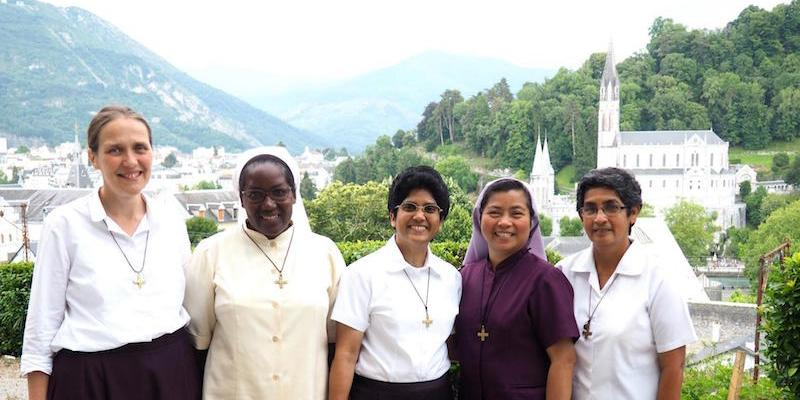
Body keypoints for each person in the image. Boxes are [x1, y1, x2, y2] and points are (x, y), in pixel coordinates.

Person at [21, 105, 200, 400]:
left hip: (170, 373)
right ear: (93, 157)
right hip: (90, 379)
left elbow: (193, 309)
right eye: (115, 150)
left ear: (152, 152)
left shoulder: (171, 220)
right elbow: (41, 330)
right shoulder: (63, 225)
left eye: (139, 148)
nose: (130, 161)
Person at [184, 146, 345, 400]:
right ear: (241, 198)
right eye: (255, 195)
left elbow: (337, 340)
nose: (268, 205)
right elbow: (198, 342)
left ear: (294, 195)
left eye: (279, 192)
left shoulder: (325, 253)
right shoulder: (210, 253)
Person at [556, 167, 696, 400]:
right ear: (581, 216)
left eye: (611, 207)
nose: (600, 218)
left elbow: (673, 366)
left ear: (633, 213)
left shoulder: (658, 279)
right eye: (590, 209)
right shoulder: (564, 273)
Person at [329, 166, 461, 400]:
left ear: (440, 220)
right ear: (392, 216)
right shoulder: (362, 274)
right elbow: (346, 355)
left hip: (437, 392)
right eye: (410, 207)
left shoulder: (451, 277)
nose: (420, 216)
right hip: (377, 393)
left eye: (430, 209)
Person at [455, 178, 578, 400]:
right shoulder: (465, 277)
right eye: (494, 212)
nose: (504, 222)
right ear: (479, 218)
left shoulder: (545, 280)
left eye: (516, 213)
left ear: (531, 221)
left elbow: (563, 360)